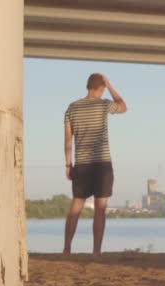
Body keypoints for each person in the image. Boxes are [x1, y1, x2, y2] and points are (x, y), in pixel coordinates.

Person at [63, 73, 127, 255]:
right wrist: (111, 86)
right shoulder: (103, 104)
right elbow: (123, 107)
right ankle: (96, 251)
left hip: (81, 164)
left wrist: (68, 165)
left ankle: (67, 248)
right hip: (102, 164)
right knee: (100, 209)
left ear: (87, 86)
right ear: (101, 88)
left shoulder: (72, 108)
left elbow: (67, 141)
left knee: (76, 207)